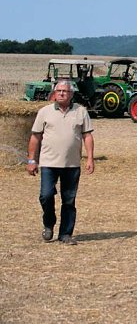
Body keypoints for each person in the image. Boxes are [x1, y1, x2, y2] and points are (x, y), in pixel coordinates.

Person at [26, 79, 95, 245]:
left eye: (65, 91)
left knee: (69, 200)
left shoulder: (81, 111)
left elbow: (87, 136)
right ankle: (48, 223)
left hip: (72, 164)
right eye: (59, 91)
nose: (62, 94)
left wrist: (90, 158)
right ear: (54, 93)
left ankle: (65, 234)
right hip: (48, 163)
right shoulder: (44, 112)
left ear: (71, 94)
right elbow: (35, 137)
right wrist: (31, 160)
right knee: (46, 195)